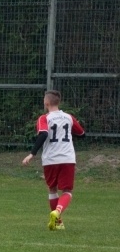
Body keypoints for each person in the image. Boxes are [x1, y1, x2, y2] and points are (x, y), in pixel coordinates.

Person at [22, 90, 85, 231]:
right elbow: (82, 134)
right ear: (59, 102)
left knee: (52, 189)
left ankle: (58, 221)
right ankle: (58, 213)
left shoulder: (44, 118)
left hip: (50, 159)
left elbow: (44, 134)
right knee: (67, 191)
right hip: (67, 158)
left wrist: (32, 154)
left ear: (46, 103)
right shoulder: (69, 117)